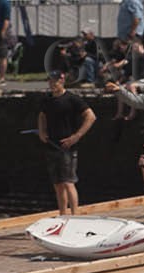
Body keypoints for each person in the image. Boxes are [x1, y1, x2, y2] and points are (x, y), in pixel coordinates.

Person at [37, 67, 95, 215]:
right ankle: (62, 213)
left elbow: (90, 116)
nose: (52, 84)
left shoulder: (72, 99)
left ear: (62, 81)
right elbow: (42, 116)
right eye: (50, 81)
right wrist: (42, 131)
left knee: (69, 182)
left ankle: (75, 214)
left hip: (67, 146)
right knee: (57, 184)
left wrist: (77, 136)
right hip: (51, 145)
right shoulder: (47, 99)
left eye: (55, 81)